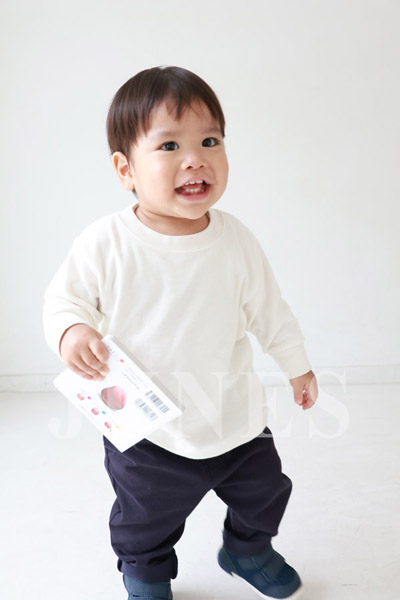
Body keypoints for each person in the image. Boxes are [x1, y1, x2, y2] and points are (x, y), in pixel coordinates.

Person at [43, 65, 318, 600]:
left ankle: (247, 549)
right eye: (169, 146)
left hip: (234, 418)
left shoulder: (236, 241)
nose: (195, 158)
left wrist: (297, 365)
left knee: (265, 492)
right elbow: (63, 301)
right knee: (145, 514)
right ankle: (145, 572)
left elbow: (269, 311)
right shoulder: (106, 243)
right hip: (147, 432)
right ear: (125, 169)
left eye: (209, 141)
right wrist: (72, 332)